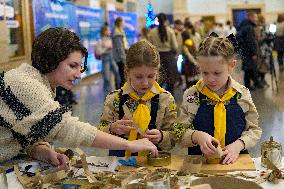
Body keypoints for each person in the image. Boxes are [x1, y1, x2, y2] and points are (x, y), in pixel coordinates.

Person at [0, 27, 158, 170]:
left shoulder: (37, 83)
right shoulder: (27, 86)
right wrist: (129, 144)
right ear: (52, 59)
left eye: (79, 66)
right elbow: (68, 128)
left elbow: (23, 131)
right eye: (72, 66)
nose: (78, 74)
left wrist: (42, 151)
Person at [174, 35, 262, 164]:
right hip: (201, 164)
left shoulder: (242, 94)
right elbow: (178, 131)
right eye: (205, 73)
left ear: (231, 65)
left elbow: (254, 130)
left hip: (235, 162)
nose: (210, 79)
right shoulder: (192, 95)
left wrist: (239, 145)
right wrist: (196, 136)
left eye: (217, 73)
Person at [99, 40, 177, 157]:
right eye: (138, 77)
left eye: (151, 76)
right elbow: (99, 135)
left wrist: (162, 136)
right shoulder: (114, 99)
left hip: (153, 163)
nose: (145, 83)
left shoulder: (166, 100)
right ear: (127, 72)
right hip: (120, 164)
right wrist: (112, 129)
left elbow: (174, 137)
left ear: (157, 73)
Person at [149, 13, 178, 95]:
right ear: (166, 20)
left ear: (157, 20)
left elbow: (150, 46)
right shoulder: (170, 31)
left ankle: (158, 99)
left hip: (157, 57)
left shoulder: (152, 32)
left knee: (159, 80)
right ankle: (170, 99)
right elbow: (175, 46)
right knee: (170, 80)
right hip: (169, 57)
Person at [237, 11, 262, 90]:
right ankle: (252, 84)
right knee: (250, 68)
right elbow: (250, 41)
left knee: (247, 68)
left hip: (244, 50)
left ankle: (251, 84)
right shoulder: (249, 27)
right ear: (250, 17)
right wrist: (253, 53)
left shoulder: (244, 25)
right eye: (255, 17)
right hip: (248, 51)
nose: (256, 19)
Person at [97, 25, 121, 94]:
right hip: (105, 59)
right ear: (104, 31)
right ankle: (107, 93)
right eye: (108, 30)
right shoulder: (100, 40)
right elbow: (98, 52)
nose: (109, 31)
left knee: (117, 73)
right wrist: (106, 49)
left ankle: (119, 89)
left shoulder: (110, 39)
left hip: (112, 57)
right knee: (106, 77)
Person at [112, 17, 128, 87]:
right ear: (120, 23)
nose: (124, 23)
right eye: (123, 22)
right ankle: (120, 93)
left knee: (121, 76)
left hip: (121, 57)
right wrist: (123, 59)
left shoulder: (121, 31)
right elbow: (120, 48)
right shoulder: (117, 33)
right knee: (121, 77)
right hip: (119, 59)